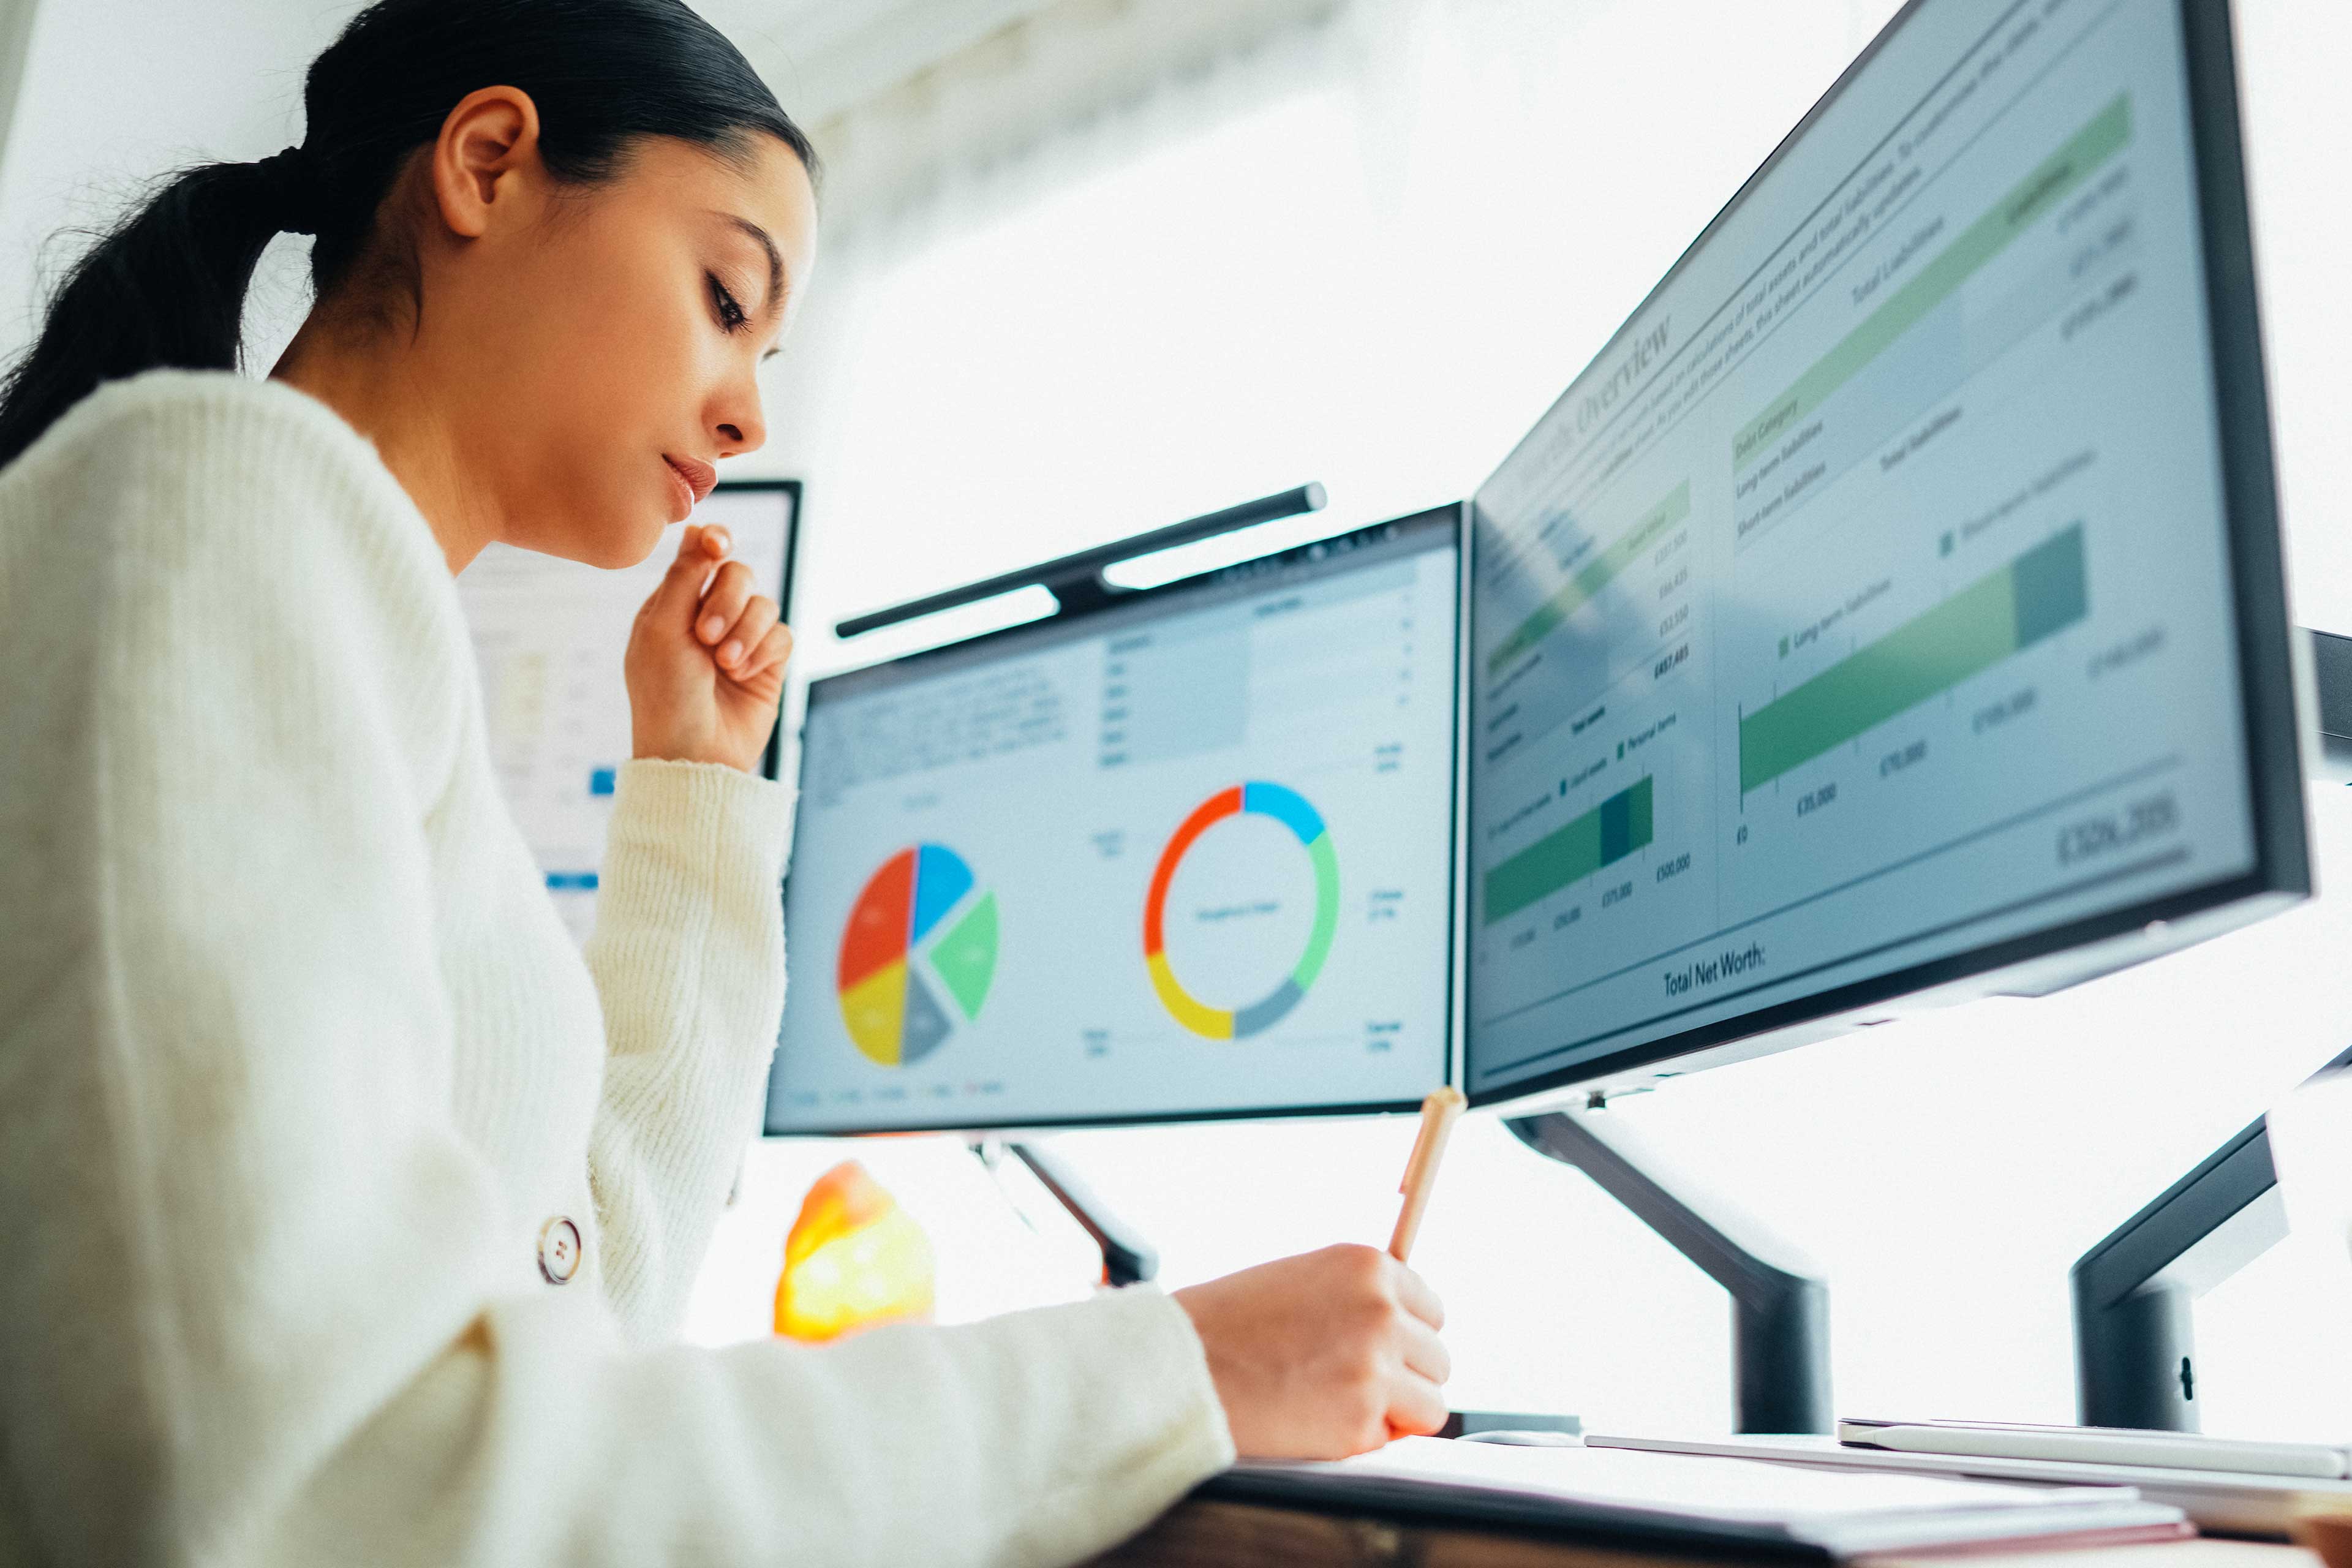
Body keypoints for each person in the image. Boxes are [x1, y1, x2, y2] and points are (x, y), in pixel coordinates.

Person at [0, 1, 1451, 1563]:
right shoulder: (211, 502)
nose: (752, 409)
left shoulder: (353, 639)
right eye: (724, 295)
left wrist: (695, 786)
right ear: (487, 164)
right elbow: (333, 1484)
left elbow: (586, 1311)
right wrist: (1182, 1367)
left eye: (769, 349)